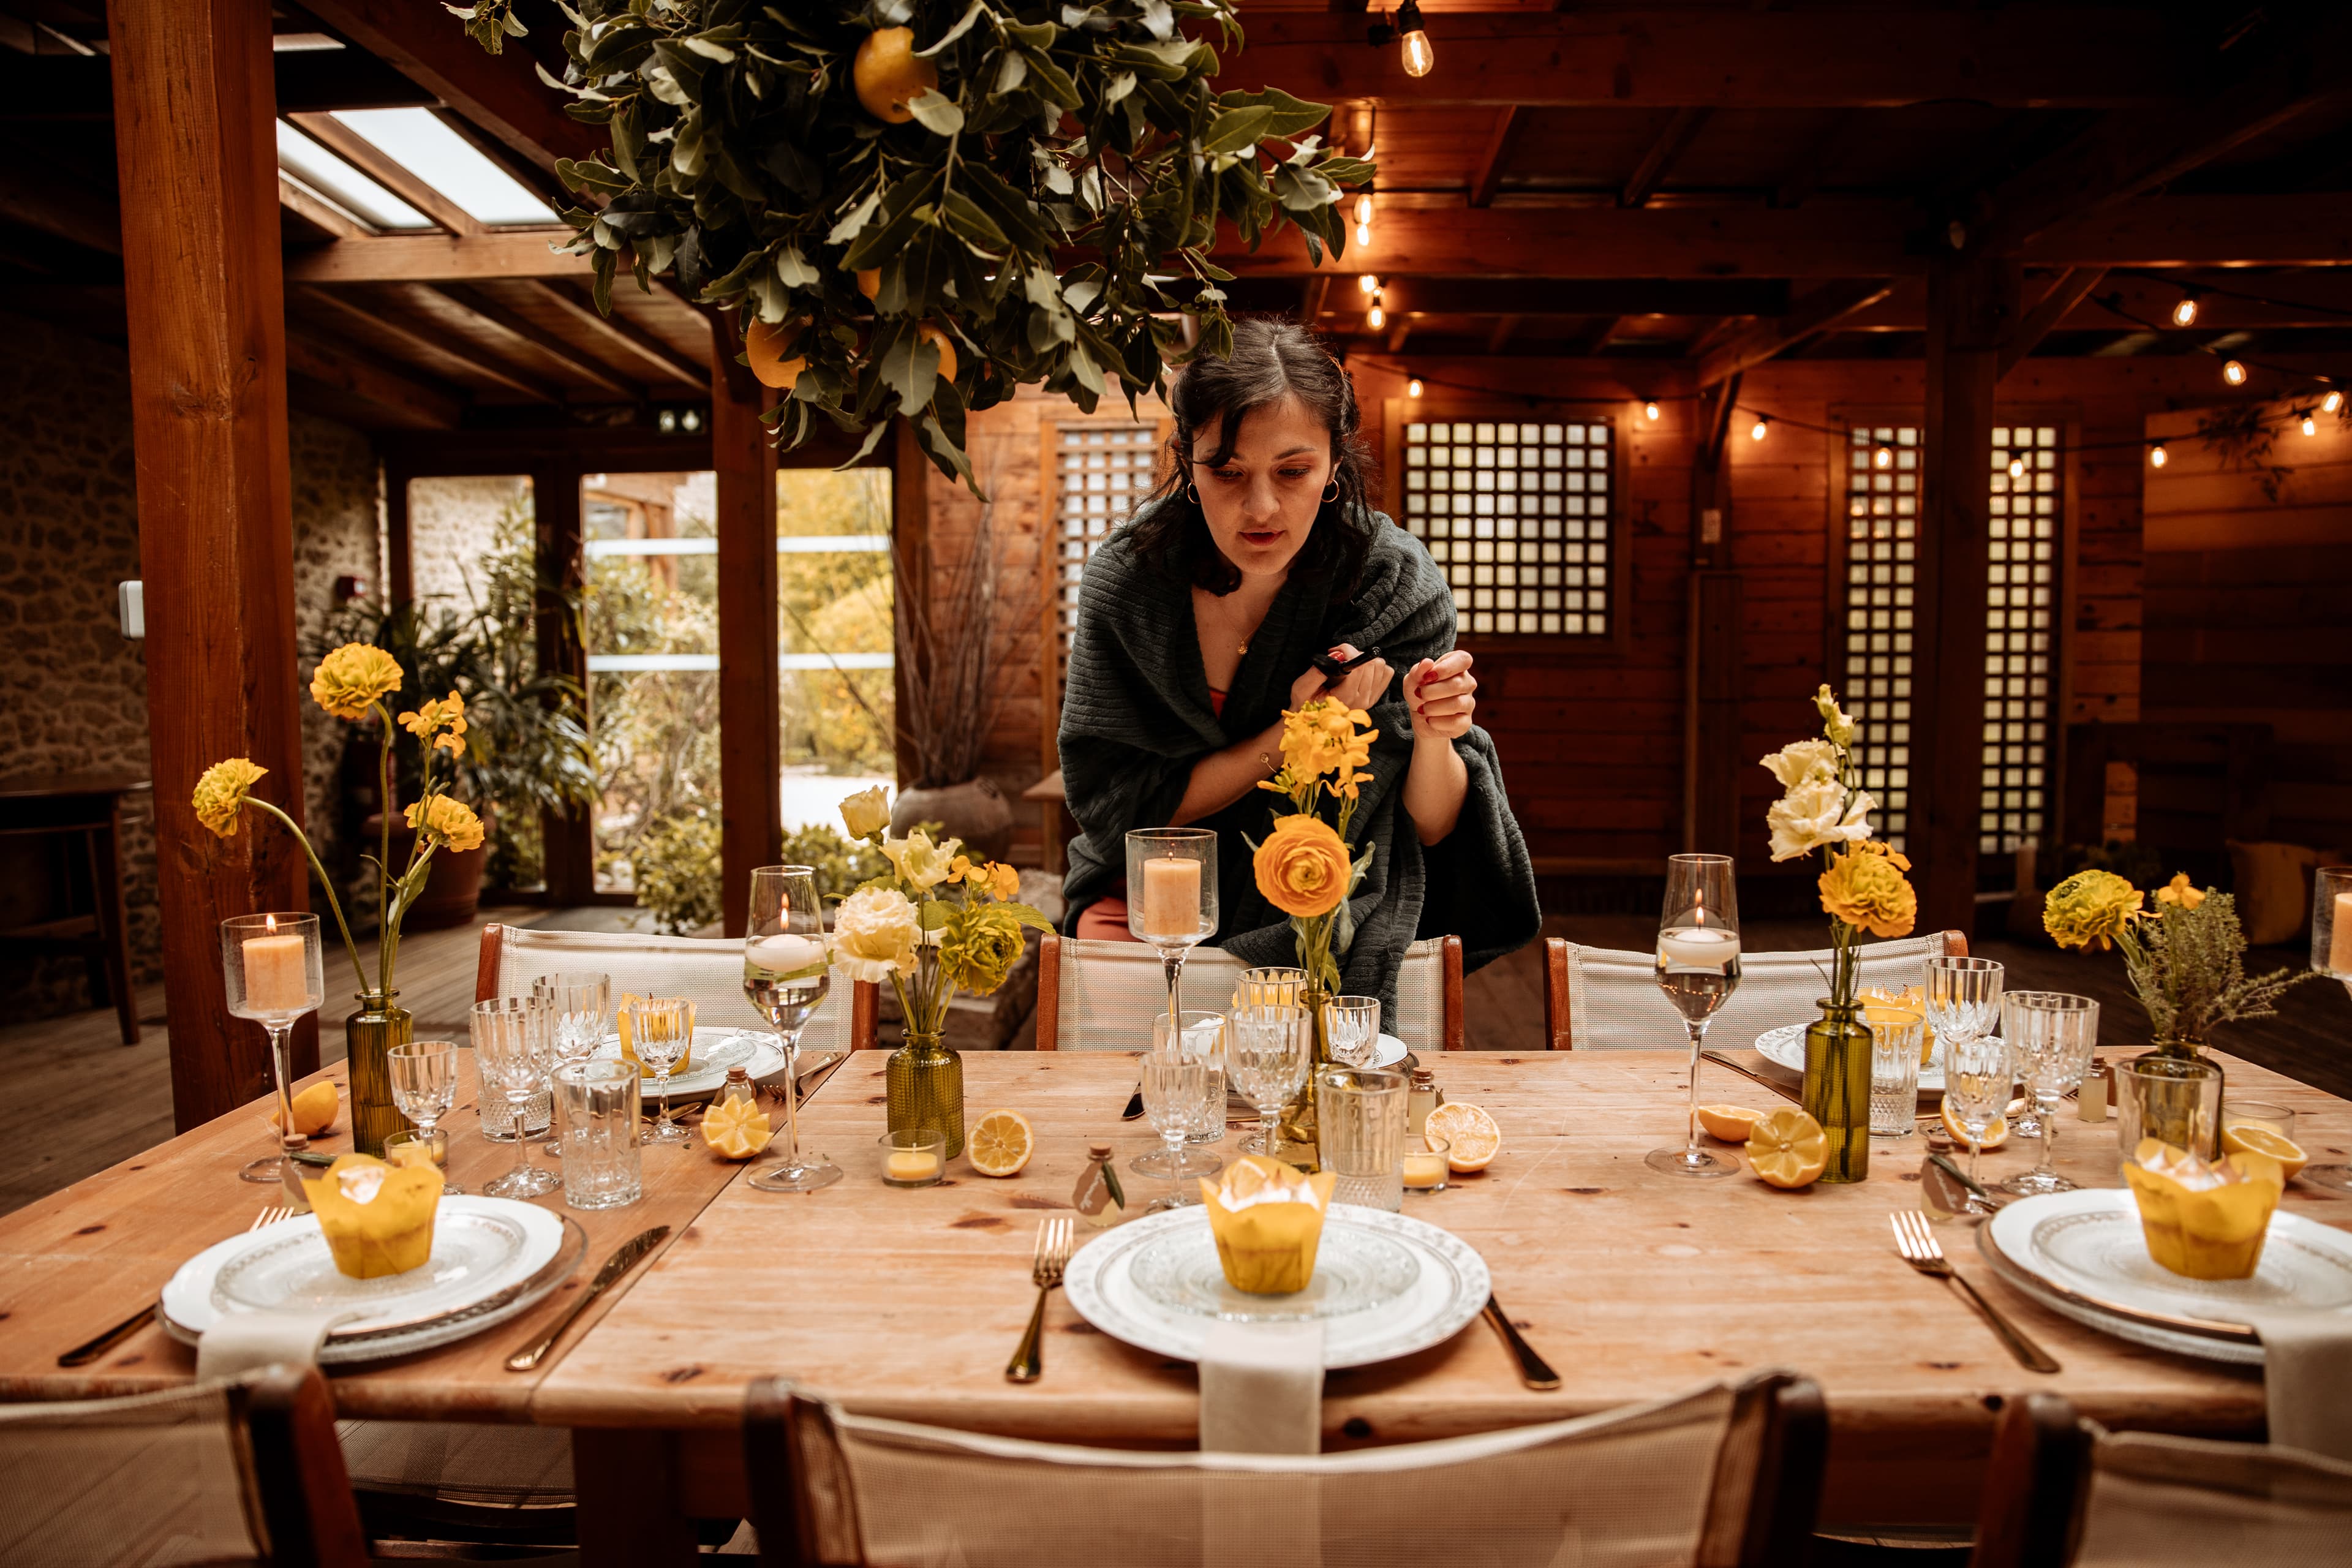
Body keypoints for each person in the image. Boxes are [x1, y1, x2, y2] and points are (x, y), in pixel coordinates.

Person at [1057, 318, 1540, 1014]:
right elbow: (1120, 807)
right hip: (1155, 893)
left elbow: (1432, 829)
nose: (1261, 508)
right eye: (1227, 472)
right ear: (1187, 461)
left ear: (1335, 462)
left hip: (1325, 900)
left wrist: (1435, 735)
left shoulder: (1394, 586)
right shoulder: (1130, 584)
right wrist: (1301, 730)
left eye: (1293, 472)